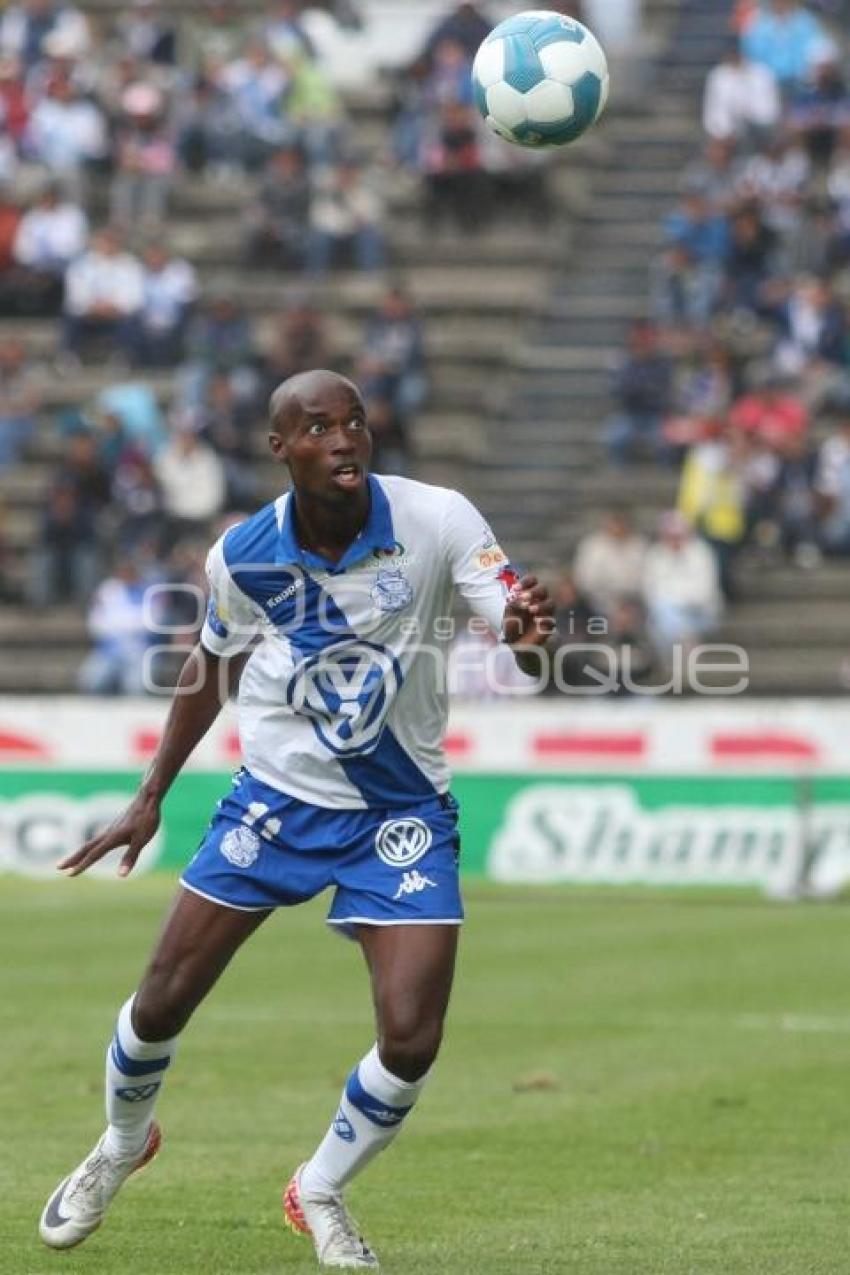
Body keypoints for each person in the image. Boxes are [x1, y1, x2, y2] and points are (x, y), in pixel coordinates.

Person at [38, 369, 554, 1269]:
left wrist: (518, 626)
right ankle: (122, 1144)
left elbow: (501, 603)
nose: (344, 437)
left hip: (401, 809)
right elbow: (210, 666)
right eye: (318, 427)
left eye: (354, 421)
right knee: (161, 1001)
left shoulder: (436, 518)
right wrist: (151, 793)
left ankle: (319, 1186)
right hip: (276, 799)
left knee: (412, 1034)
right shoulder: (245, 555)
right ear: (282, 449)